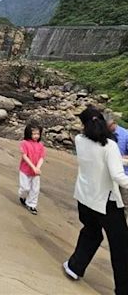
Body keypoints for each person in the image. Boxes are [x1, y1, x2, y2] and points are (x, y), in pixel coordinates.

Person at [63, 107, 128, 295]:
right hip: (105, 203)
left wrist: (124, 161)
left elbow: (100, 159)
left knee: (91, 233)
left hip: (84, 198)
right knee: (121, 247)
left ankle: (74, 267)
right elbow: (118, 176)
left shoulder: (79, 140)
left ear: (84, 125)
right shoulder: (110, 146)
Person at [18, 122, 46, 215]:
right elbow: (25, 156)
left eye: (38, 134)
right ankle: (22, 196)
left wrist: (37, 168)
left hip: (35, 172)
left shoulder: (40, 145)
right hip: (25, 170)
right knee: (25, 188)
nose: (36, 136)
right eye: (34, 134)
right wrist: (33, 167)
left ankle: (32, 204)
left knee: (35, 189)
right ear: (28, 133)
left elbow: (42, 157)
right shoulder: (24, 143)